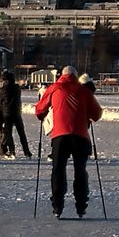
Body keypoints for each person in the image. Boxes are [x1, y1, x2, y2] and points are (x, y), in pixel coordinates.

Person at [35, 66, 102, 218]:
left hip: (60, 136)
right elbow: (97, 114)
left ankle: (57, 205)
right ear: (76, 76)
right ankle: (81, 205)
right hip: (80, 136)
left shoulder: (54, 88)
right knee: (80, 170)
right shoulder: (84, 91)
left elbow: (39, 110)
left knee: (58, 170)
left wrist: (43, 114)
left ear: (62, 75)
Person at [0, 70, 32, 159]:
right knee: (21, 133)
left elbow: (0, 103)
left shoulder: (3, 90)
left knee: (9, 134)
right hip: (16, 113)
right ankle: (27, 152)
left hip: (7, 114)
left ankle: (12, 151)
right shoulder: (17, 88)